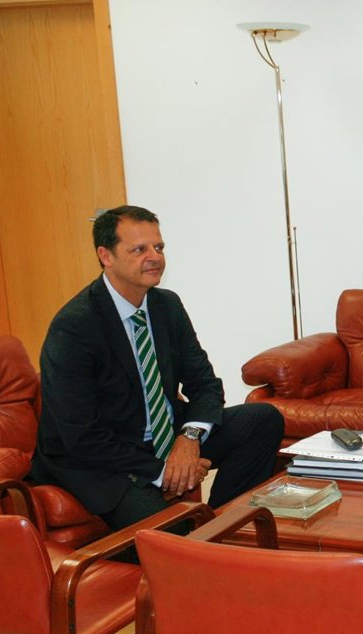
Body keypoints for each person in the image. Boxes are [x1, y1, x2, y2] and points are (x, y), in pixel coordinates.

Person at [31, 205, 284, 534]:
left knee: (263, 419)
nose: (155, 257)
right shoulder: (75, 327)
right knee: (172, 533)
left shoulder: (166, 305)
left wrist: (189, 439)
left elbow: (204, 383)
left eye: (159, 247)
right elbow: (81, 436)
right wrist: (163, 471)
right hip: (101, 459)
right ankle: (199, 541)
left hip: (161, 436)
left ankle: (220, 528)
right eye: (139, 249)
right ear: (106, 256)